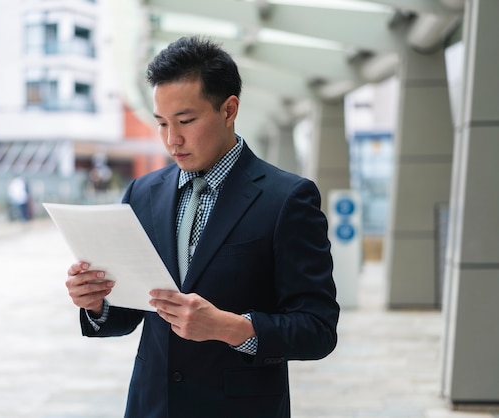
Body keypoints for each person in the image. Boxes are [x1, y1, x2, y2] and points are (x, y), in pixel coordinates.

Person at [65, 35, 339, 418]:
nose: (172, 140)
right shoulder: (143, 193)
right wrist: (97, 302)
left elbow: (318, 330)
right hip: (151, 406)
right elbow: (130, 313)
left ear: (229, 110)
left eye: (186, 121)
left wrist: (231, 327)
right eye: (161, 123)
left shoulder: (287, 199)